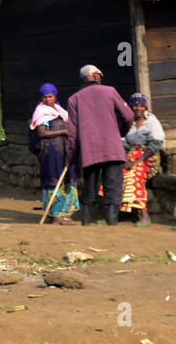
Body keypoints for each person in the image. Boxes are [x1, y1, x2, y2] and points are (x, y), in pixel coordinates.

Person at [65, 65, 133, 226]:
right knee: (113, 190)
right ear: (95, 76)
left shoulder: (74, 99)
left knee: (89, 190)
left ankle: (86, 225)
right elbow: (129, 116)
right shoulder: (110, 91)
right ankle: (111, 227)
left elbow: (73, 134)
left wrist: (71, 158)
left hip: (89, 151)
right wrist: (120, 133)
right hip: (112, 148)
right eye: (100, 74)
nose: (101, 77)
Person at [29, 83, 78, 225]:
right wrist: (63, 132)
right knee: (54, 180)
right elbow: (42, 133)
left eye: (50, 96)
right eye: (44, 97)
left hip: (63, 152)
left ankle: (58, 214)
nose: (47, 100)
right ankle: (55, 215)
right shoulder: (41, 112)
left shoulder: (59, 110)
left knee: (65, 179)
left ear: (55, 96)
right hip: (51, 153)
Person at [120, 93, 164, 226]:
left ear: (145, 107)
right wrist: (125, 160)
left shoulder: (152, 121)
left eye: (141, 106)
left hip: (149, 157)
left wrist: (136, 162)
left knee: (135, 173)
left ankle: (144, 215)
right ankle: (116, 212)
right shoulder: (128, 122)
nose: (138, 108)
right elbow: (122, 143)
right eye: (135, 105)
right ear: (131, 107)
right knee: (116, 173)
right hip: (130, 155)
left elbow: (155, 144)